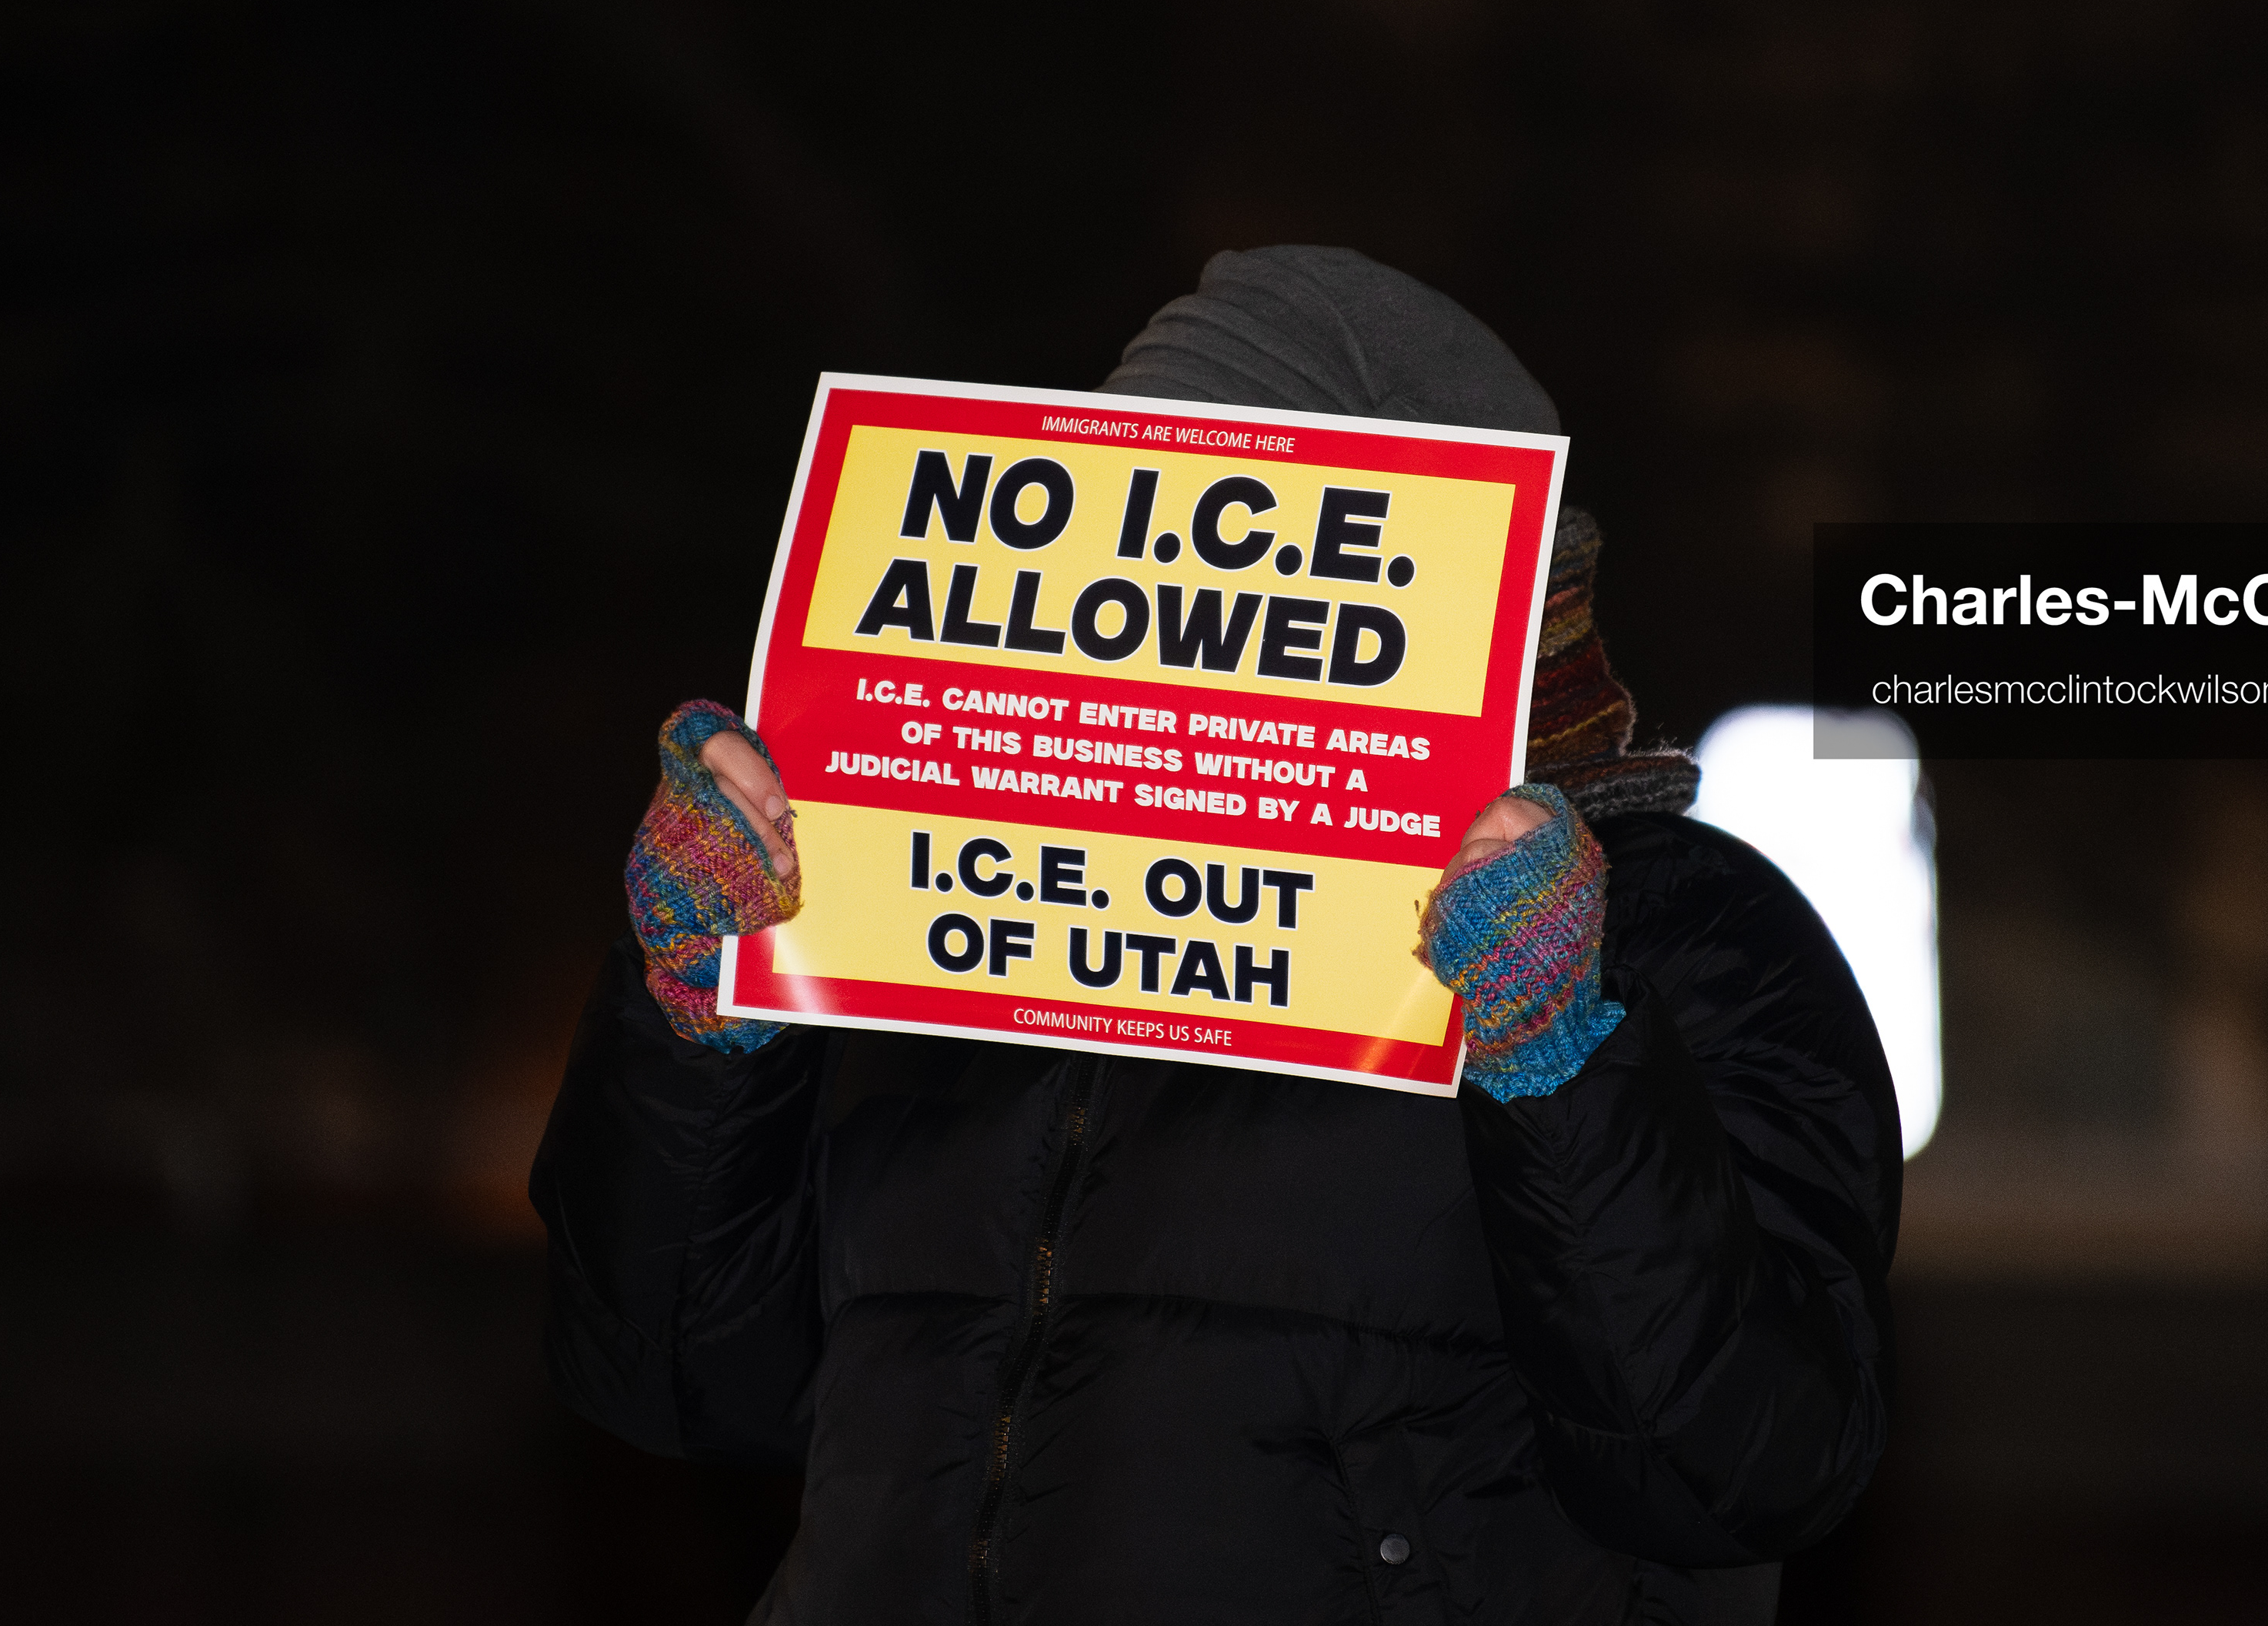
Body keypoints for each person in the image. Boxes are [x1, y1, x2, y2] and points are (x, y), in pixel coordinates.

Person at [532, 247, 1900, 1625]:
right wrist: (699, 1009)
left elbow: (1752, 1464)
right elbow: (668, 1378)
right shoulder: (937, 910)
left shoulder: (1685, 931)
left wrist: (1559, 1062)